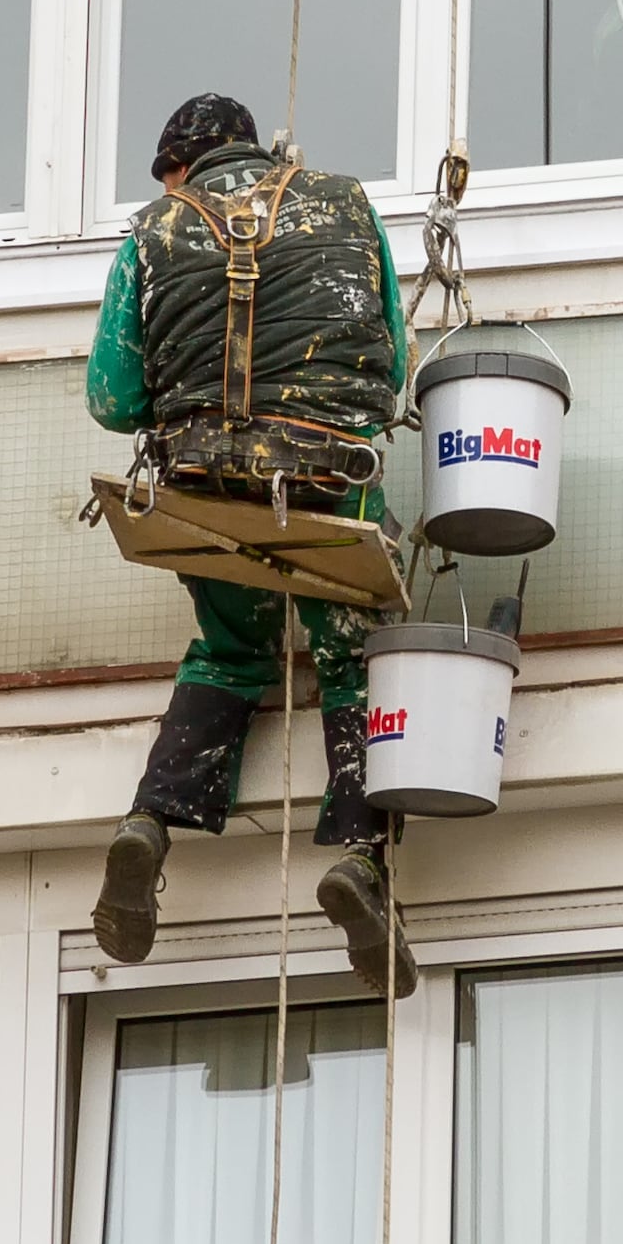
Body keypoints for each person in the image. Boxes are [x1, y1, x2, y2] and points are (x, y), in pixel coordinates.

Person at [85, 91, 414, 990]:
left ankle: (149, 822)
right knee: (353, 655)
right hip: (328, 481)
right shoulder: (345, 202)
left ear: (183, 168)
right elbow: (394, 360)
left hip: (206, 490)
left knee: (232, 647)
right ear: (259, 150)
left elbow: (113, 401)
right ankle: (358, 861)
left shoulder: (152, 233)